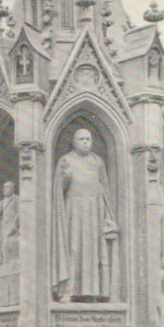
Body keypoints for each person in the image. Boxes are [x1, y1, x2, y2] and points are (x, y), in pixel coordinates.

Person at [52, 128, 118, 302]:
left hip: (94, 211)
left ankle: (92, 291)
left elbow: (104, 188)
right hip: (73, 210)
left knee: (93, 251)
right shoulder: (66, 160)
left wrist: (107, 214)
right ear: (74, 142)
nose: (85, 142)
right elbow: (58, 190)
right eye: (81, 139)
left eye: (88, 139)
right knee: (73, 249)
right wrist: (65, 177)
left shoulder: (98, 161)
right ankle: (68, 290)